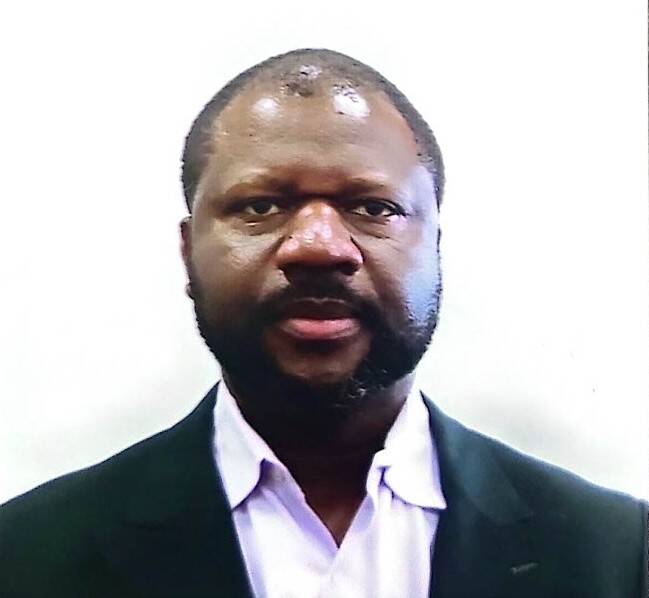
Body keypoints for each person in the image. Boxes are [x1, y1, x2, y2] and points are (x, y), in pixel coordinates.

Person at [0, 48, 646, 598]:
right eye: (261, 206)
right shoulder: (26, 557)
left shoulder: (618, 557)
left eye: (373, 207)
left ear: (434, 246)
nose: (317, 246)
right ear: (187, 250)